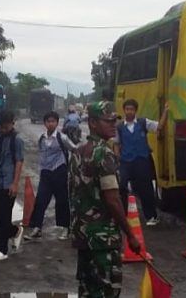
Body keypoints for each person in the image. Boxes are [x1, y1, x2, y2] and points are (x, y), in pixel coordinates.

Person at [69, 101, 143, 298]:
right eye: (107, 121)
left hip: (83, 237)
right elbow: (113, 200)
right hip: (103, 240)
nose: (112, 124)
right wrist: (131, 235)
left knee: (87, 290)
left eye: (114, 120)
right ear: (93, 123)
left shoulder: (78, 151)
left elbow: (73, 192)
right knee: (106, 290)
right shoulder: (105, 153)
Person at [24, 111, 78, 241]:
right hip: (46, 173)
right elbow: (42, 154)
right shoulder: (42, 138)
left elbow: (74, 149)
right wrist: (42, 169)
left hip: (59, 171)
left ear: (57, 123)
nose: (50, 123)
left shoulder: (62, 137)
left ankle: (65, 228)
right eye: (48, 121)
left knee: (62, 201)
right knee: (41, 200)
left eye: (53, 121)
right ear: (45, 123)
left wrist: (73, 168)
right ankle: (37, 228)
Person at [116, 99, 167, 226]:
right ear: (124, 110)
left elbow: (159, 126)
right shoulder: (120, 127)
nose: (129, 112)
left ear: (135, 111)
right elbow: (116, 143)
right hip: (126, 161)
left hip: (141, 159)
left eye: (132, 109)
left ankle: (151, 216)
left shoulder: (143, 123)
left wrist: (165, 111)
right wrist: (117, 158)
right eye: (127, 109)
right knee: (121, 186)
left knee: (146, 188)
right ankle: (123, 216)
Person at [0, 109, 25, 261]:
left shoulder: (17, 140)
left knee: (3, 216)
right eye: (1, 126)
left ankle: (1, 250)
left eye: (6, 126)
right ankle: (15, 230)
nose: (3, 129)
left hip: (8, 183)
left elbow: (19, 161)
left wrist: (15, 183)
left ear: (12, 123)